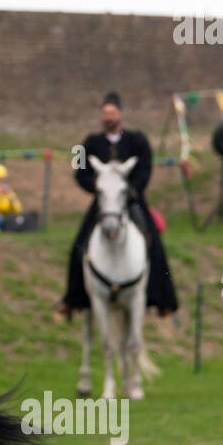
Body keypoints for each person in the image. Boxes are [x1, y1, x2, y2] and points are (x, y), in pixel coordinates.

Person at [56, 92, 179, 317]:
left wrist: (131, 191)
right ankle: (73, 299)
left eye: (111, 113)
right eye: (104, 113)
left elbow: (144, 170)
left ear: (120, 114)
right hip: (104, 203)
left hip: (133, 201)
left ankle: (163, 300)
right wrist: (100, 189)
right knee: (79, 244)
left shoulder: (137, 140)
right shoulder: (90, 143)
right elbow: (80, 173)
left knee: (154, 242)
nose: (107, 117)